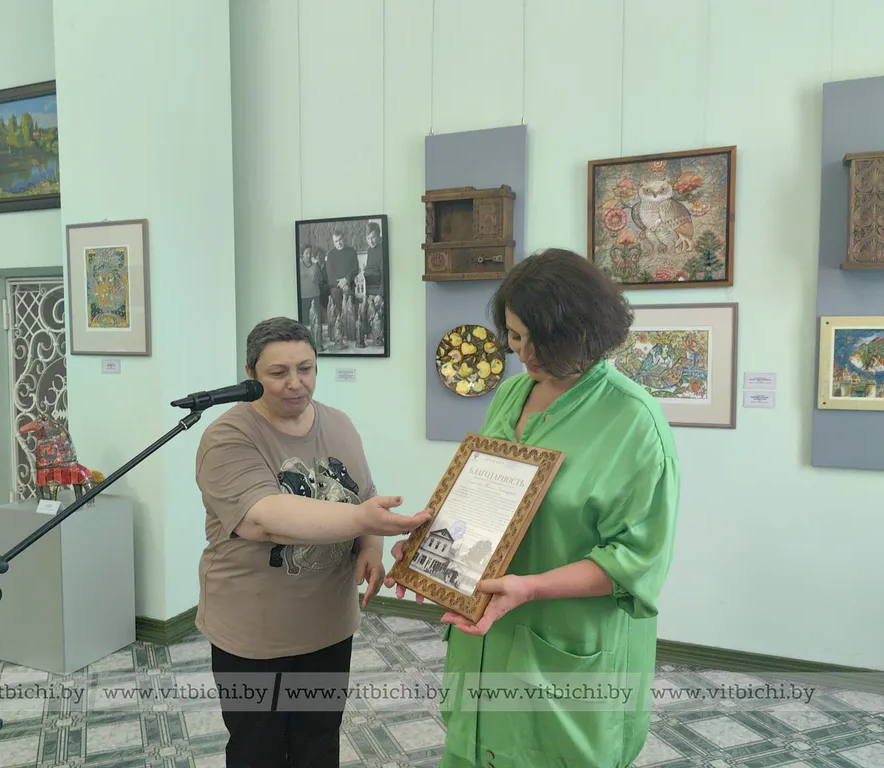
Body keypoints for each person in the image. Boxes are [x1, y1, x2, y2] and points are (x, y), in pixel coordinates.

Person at [385, 248, 681, 768]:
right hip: (484, 631)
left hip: (564, 641)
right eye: (516, 337)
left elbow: (636, 561)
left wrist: (530, 587)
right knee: (474, 750)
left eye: (544, 341)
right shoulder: (512, 394)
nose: (526, 355)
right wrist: (431, 549)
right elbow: (485, 497)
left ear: (589, 333)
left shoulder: (634, 421)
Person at [194, 316, 430, 768]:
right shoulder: (227, 436)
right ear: (250, 374)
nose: (295, 383)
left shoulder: (339, 423)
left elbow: (364, 494)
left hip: (327, 627)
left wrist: (370, 547)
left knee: (318, 742)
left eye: (305, 369)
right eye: (278, 372)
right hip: (253, 634)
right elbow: (263, 519)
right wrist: (362, 519)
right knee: (257, 750)